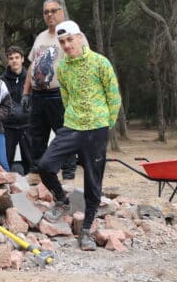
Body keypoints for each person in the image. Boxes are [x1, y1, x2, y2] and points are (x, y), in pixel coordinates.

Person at [38, 20, 121, 251]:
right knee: (45, 165)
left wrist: (106, 125)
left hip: (97, 128)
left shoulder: (100, 62)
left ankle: (86, 231)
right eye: (62, 41)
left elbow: (113, 96)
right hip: (72, 126)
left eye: (69, 40)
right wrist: (72, 118)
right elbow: (65, 96)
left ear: (80, 37)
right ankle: (62, 201)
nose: (66, 45)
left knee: (93, 181)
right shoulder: (62, 68)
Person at [22, 0, 85, 183]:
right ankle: (36, 173)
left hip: (60, 94)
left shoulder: (71, 35)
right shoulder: (40, 37)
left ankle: (68, 175)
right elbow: (32, 65)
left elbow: (82, 62)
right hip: (38, 95)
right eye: (46, 12)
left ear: (61, 12)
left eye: (53, 11)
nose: (49, 15)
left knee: (64, 134)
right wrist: (26, 93)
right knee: (37, 135)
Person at [0, 46, 32, 174]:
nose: (14, 61)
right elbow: (3, 101)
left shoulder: (31, 77)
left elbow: (34, 98)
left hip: (27, 125)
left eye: (17, 58)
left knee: (30, 161)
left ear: (22, 59)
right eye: (11, 58)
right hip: (8, 126)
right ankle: (5, 188)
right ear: (8, 61)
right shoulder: (1, 80)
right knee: (6, 161)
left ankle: (33, 189)